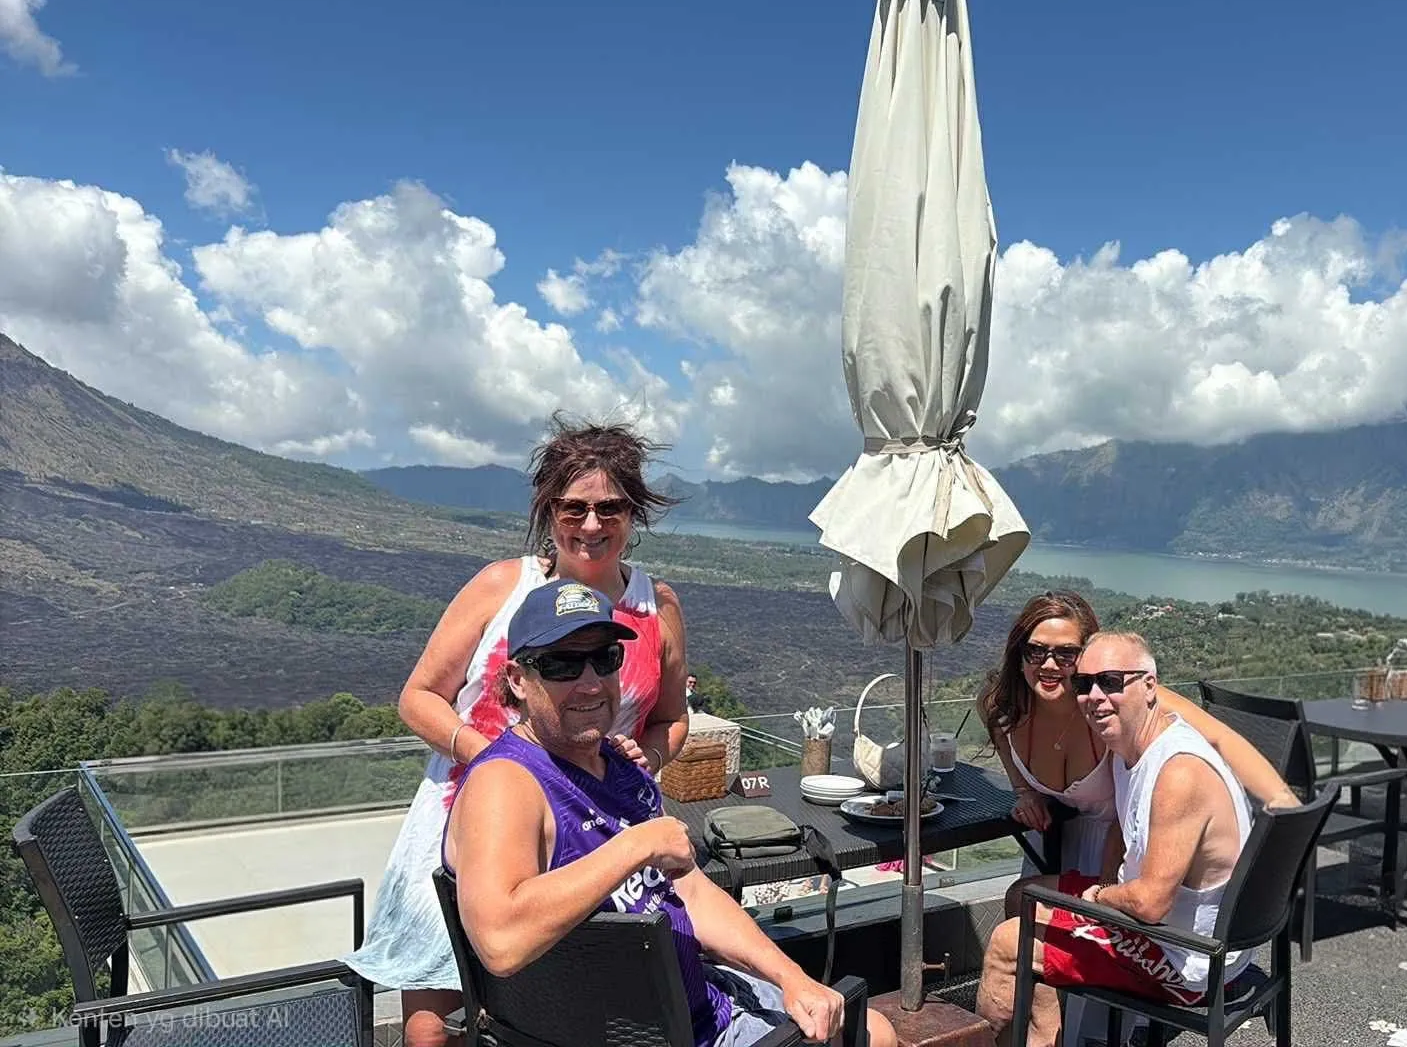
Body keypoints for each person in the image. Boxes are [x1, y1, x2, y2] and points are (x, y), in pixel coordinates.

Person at [344, 416, 693, 1047]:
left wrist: (647, 756)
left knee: (572, 1015)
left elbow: (672, 718)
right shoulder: (501, 587)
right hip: (468, 823)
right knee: (433, 1028)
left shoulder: (656, 607)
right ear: (548, 511)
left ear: (633, 513)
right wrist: (495, 761)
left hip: (598, 837)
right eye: (574, 507)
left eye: (610, 507)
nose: (592, 525)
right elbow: (418, 698)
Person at [443, 579, 894, 1047]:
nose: (590, 683)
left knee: (869, 1029)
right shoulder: (507, 783)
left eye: (605, 659)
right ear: (518, 679)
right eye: (562, 665)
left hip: (698, 1000)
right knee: (870, 1037)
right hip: (652, 1034)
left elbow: (691, 892)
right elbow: (500, 941)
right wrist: (637, 845)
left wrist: (790, 976)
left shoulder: (618, 766)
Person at [977, 632, 1251, 1047]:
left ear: (1149, 685)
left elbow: (1150, 903)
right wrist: (1104, 886)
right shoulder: (1134, 747)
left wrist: (1099, 898)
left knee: (1007, 944)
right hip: (1167, 930)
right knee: (1024, 895)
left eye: (1110, 681)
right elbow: (1123, 828)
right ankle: (1048, 1034)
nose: (1094, 696)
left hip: (1189, 958)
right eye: (1084, 684)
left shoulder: (1179, 773)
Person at [977, 592, 1293, 914]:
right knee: (1021, 903)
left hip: (1120, 856)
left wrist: (1287, 811)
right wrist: (1025, 791)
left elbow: (1220, 738)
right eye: (1035, 650)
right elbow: (1002, 736)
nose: (1048, 664)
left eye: (1066, 654)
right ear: (1019, 653)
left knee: (1025, 920)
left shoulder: (1118, 703)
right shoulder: (1002, 706)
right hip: (1053, 844)